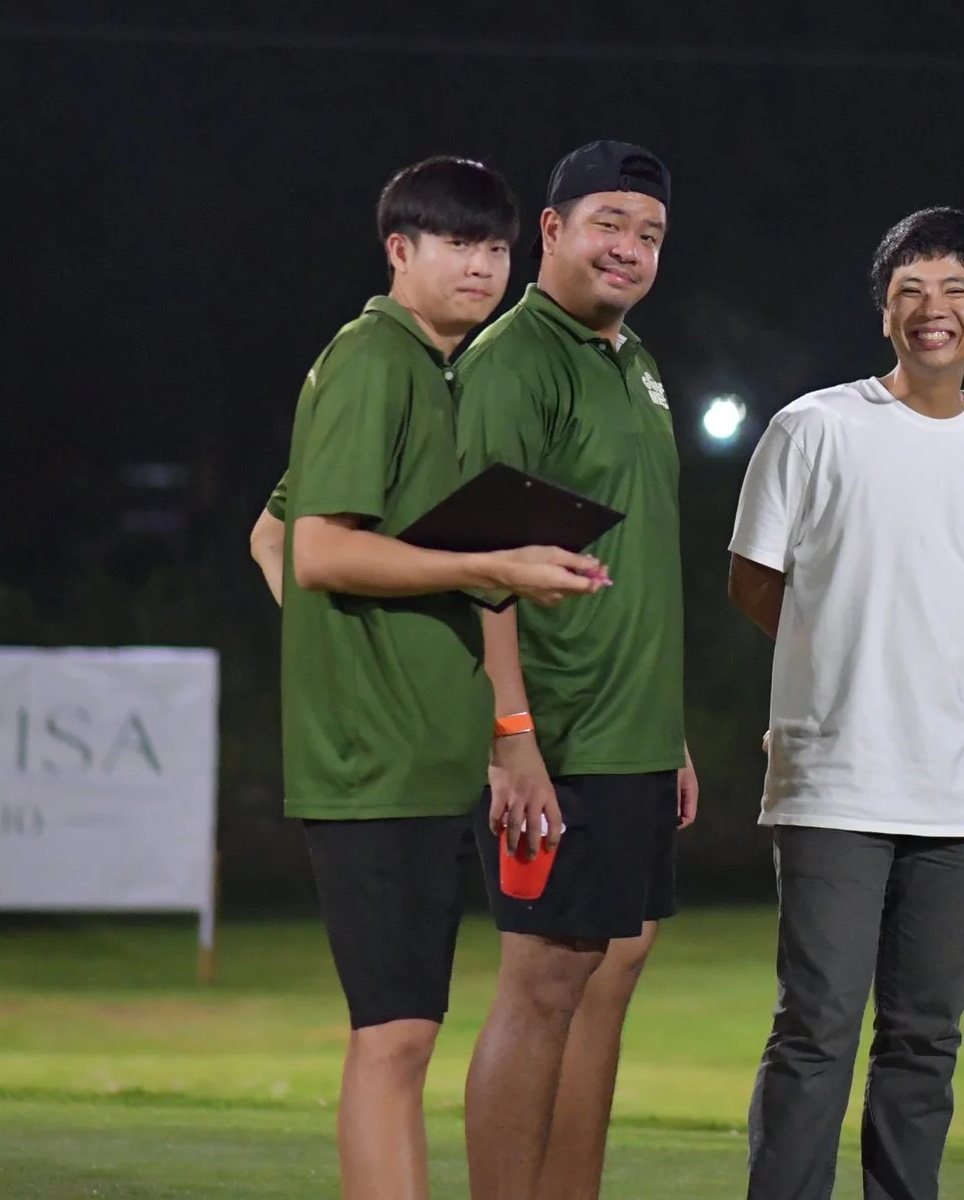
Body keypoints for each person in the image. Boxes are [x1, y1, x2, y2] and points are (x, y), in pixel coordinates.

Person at [256, 156, 607, 1200]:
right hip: (374, 761)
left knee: (405, 1028)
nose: (481, 265)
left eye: (495, 247)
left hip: (418, 748)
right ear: (398, 250)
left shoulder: (437, 367)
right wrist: (483, 571)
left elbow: (267, 531)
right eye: (454, 243)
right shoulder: (376, 359)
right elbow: (318, 548)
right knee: (394, 1037)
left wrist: (349, 651)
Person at [729, 208, 964, 1200]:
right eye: (910, 289)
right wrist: (829, 668)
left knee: (924, 1042)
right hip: (832, 781)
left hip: (962, 797)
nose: (932, 308)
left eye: (954, 290)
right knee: (814, 1029)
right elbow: (751, 577)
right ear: (883, 312)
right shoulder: (813, 426)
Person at [456, 140, 697, 1200]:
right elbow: (480, 564)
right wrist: (512, 735)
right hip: (553, 734)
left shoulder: (631, 360)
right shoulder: (519, 357)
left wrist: (670, 731)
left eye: (648, 231)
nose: (630, 247)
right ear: (549, 230)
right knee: (544, 978)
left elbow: (633, 554)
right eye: (609, 222)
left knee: (611, 966)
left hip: (631, 729)